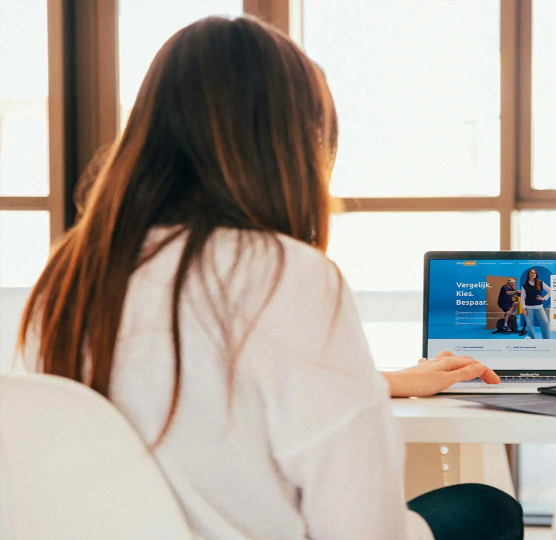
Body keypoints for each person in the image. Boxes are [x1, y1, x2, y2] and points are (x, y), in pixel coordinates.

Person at [16, 16, 522, 540]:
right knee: (487, 509)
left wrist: (381, 383)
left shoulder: (72, 273)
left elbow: (198, 397)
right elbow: (363, 530)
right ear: (290, 143)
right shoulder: (286, 274)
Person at [519, 269, 551, 339]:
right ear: (529, 275)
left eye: (534, 273)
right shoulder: (525, 285)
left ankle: (547, 339)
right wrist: (523, 309)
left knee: (545, 323)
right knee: (530, 325)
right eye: (531, 273)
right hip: (528, 307)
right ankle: (532, 340)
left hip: (539, 307)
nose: (533, 274)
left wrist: (544, 298)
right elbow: (522, 298)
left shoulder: (541, 283)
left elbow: (550, 291)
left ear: (536, 275)